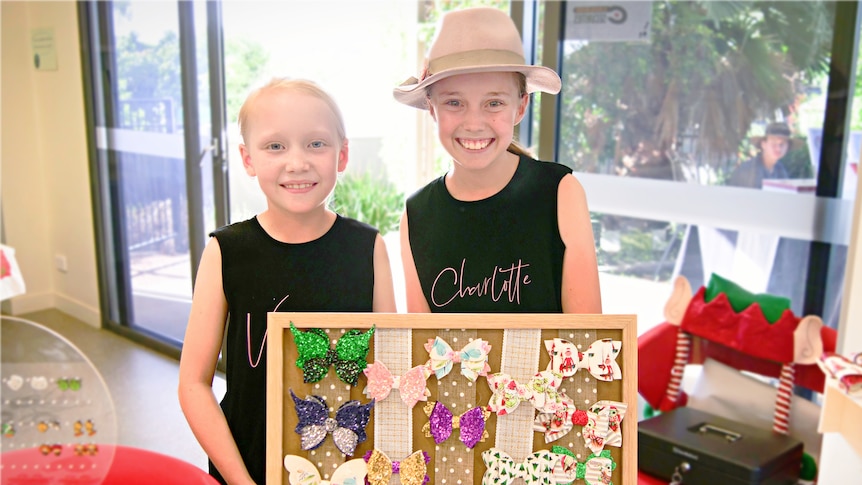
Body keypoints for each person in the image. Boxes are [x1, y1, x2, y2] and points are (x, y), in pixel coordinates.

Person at [177, 78, 396, 485]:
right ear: (247, 158)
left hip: (347, 465)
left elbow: (390, 372)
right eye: (276, 146)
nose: (297, 162)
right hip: (246, 464)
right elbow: (193, 384)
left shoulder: (368, 247)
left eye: (316, 144)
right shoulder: (226, 250)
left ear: (342, 154)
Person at [393, 7, 601, 314]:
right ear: (432, 109)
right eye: (454, 102)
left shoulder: (560, 193)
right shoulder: (416, 215)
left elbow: (587, 338)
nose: (474, 123)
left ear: (520, 107)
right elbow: (423, 349)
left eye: (493, 103)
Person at [728, 121, 793, 188]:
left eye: (782, 144)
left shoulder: (780, 169)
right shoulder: (749, 170)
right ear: (763, 144)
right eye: (774, 143)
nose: (778, 148)